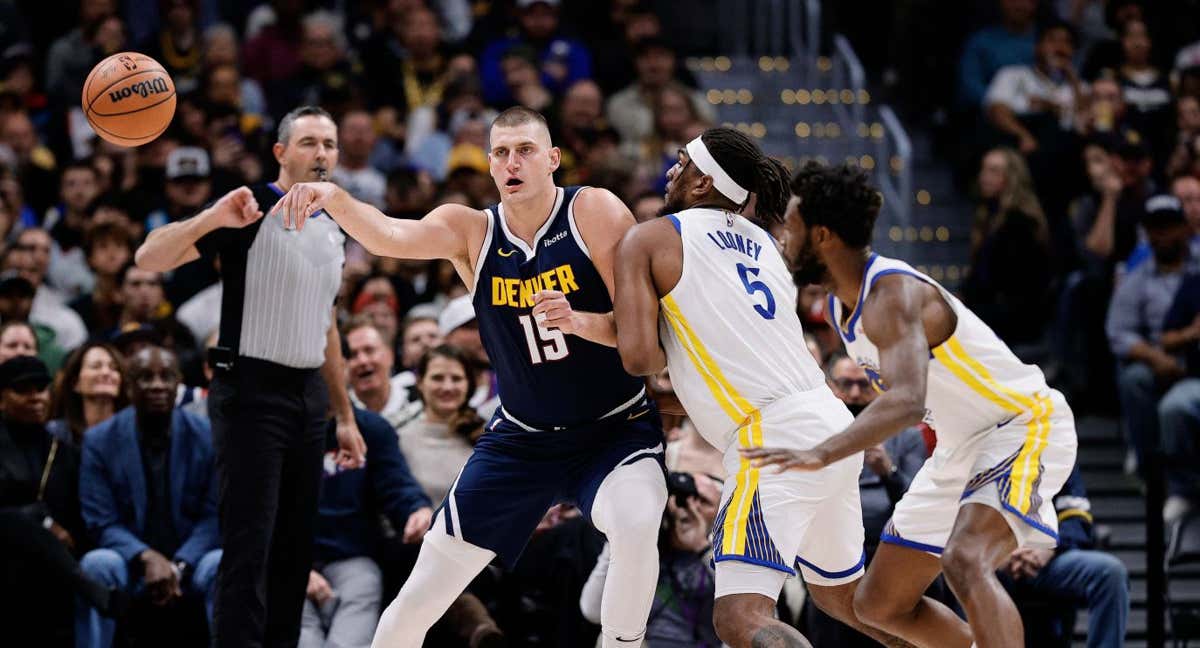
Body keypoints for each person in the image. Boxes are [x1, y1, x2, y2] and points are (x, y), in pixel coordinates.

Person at [270, 105, 668, 648]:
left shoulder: (593, 211)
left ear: (553, 158)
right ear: (489, 165)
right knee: (413, 607)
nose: (513, 162)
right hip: (521, 441)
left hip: (612, 429)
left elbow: (645, 335)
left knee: (639, 521)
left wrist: (581, 322)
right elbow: (391, 235)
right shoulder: (471, 230)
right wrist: (336, 198)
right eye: (501, 153)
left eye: (525, 150)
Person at [744, 162, 1079, 648]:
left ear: (822, 235)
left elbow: (905, 401)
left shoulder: (893, 294)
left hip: (1021, 426)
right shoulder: (842, 308)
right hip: (960, 445)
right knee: (878, 604)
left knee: (965, 560)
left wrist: (821, 453)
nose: (783, 241)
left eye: (791, 229)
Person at [613, 127, 895, 648]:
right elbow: (716, 372)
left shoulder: (649, 238)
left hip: (773, 439)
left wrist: (623, 321)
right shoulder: (763, 243)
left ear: (702, 183)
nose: (671, 172)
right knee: (845, 600)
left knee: (739, 619)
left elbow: (639, 359)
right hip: (829, 419)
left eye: (681, 163)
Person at [134, 105, 366, 648]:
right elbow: (150, 257)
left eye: (330, 144)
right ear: (281, 152)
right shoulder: (248, 208)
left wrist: (346, 414)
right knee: (249, 548)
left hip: (308, 396)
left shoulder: (334, 223)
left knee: (293, 550)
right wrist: (210, 217)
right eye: (309, 142)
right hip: (250, 393)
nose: (323, 154)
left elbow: (325, 324)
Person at [77, 346, 222, 648]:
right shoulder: (100, 441)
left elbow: (214, 516)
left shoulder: (206, 436)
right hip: (129, 561)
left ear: (177, 385)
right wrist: (146, 557)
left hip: (191, 561)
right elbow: (101, 521)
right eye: (145, 377)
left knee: (222, 563)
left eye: (166, 377)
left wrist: (178, 566)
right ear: (128, 388)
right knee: (96, 564)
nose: (157, 385)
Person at [0, 355, 123, 648]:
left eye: (41, 389)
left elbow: (78, 520)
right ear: (2, 398)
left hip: (51, 569)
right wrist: (44, 522)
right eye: (23, 390)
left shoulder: (65, 452)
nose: (35, 398)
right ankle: (89, 589)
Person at [300, 407, 433, 648]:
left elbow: (396, 483)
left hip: (353, 558)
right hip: (289, 562)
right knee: (304, 636)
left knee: (362, 589)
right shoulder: (277, 428)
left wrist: (417, 510)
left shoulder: (371, 428)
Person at [396, 344, 482, 503]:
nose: (447, 387)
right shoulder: (400, 440)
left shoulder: (489, 437)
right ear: (420, 382)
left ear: (469, 384)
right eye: (437, 378)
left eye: (456, 379)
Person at [48, 342, 126, 444]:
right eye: (96, 366)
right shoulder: (57, 433)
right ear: (76, 383)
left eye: (114, 368)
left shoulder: (134, 431)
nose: (106, 372)